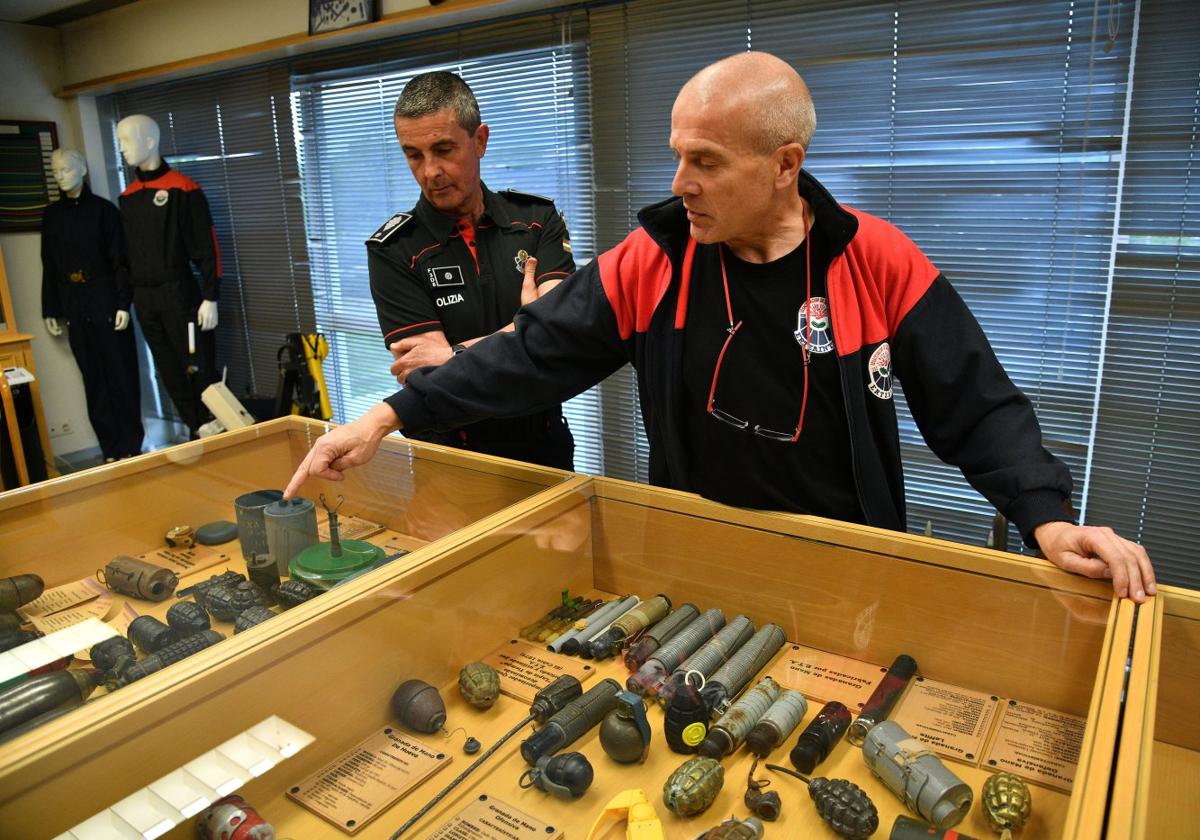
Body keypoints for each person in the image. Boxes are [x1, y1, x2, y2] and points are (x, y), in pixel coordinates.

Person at [288, 52, 1155, 603]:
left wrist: (1046, 518)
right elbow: (529, 354)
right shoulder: (653, 260)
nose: (682, 182)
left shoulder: (876, 257)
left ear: (784, 165)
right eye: (678, 155)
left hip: (848, 569)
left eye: (706, 161)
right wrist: (386, 415)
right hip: (697, 565)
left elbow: (977, 404)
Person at [366, 71, 576, 469]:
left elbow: (559, 336)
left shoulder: (536, 221)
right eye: (414, 154)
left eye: (443, 150)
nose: (430, 172)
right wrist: (527, 329)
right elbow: (432, 376)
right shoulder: (394, 250)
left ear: (479, 141)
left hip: (544, 445)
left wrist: (457, 353)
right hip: (449, 456)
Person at [117, 114, 221, 435]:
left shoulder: (182, 189)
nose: (122, 149)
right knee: (167, 367)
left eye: (126, 141)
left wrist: (209, 296)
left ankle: (213, 423)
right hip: (144, 297)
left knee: (196, 362)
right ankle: (194, 427)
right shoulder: (129, 198)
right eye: (118, 142)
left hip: (179, 291)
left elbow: (207, 246)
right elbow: (124, 258)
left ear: (149, 141)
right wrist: (124, 301)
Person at [41, 148, 144, 461]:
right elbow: (49, 264)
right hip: (74, 302)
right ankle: (110, 447)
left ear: (82, 169)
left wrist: (124, 304)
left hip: (106, 299)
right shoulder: (52, 216)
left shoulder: (104, 211)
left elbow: (121, 262)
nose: (61, 176)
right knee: (93, 377)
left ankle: (131, 445)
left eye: (67, 170)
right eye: (56, 171)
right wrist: (51, 309)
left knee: (120, 373)